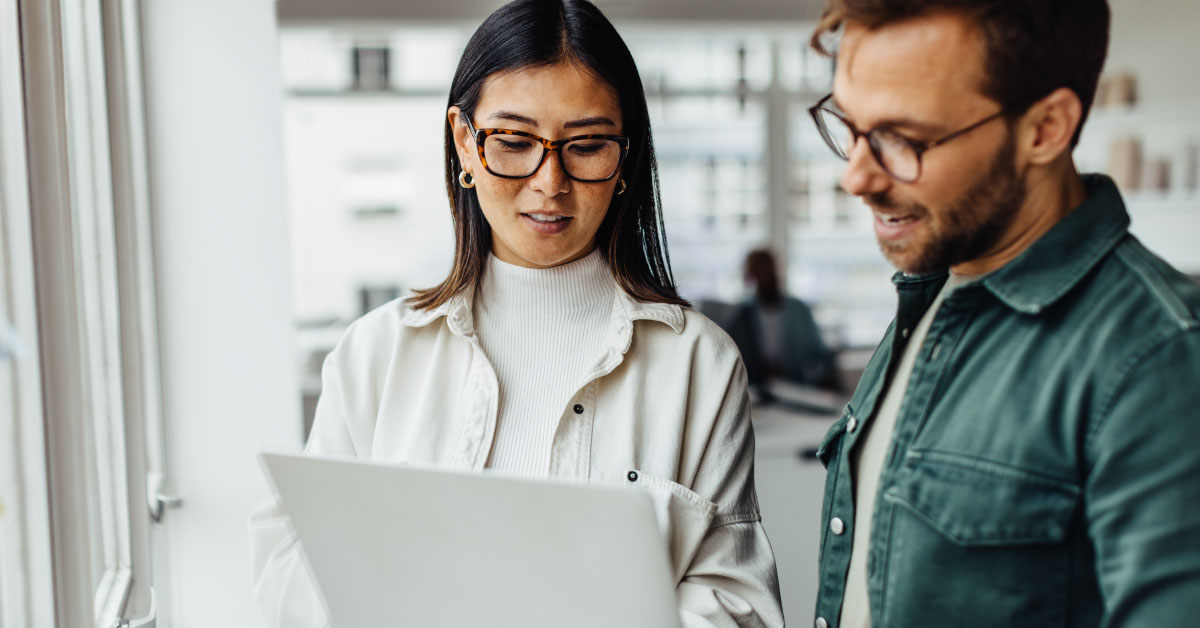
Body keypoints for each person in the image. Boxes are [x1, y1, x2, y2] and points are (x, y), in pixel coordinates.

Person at [248, 1, 784, 627]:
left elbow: (737, 607)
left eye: (586, 146)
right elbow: (291, 575)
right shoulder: (375, 354)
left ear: (626, 158)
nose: (549, 181)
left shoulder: (700, 363)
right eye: (513, 141)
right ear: (464, 144)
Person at [803, 1, 1200, 627]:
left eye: (901, 139)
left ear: (1045, 128)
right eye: (849, 125)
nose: (855, 177)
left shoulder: (1161, 358)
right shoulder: (934, 288)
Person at [739, 248, 840, 394]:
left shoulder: (800, 311)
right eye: (758, 273)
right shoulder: (744, 312)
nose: (764, 278)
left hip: (796, 388)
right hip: (756, 392)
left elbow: (819, 354)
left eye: (766, 271)